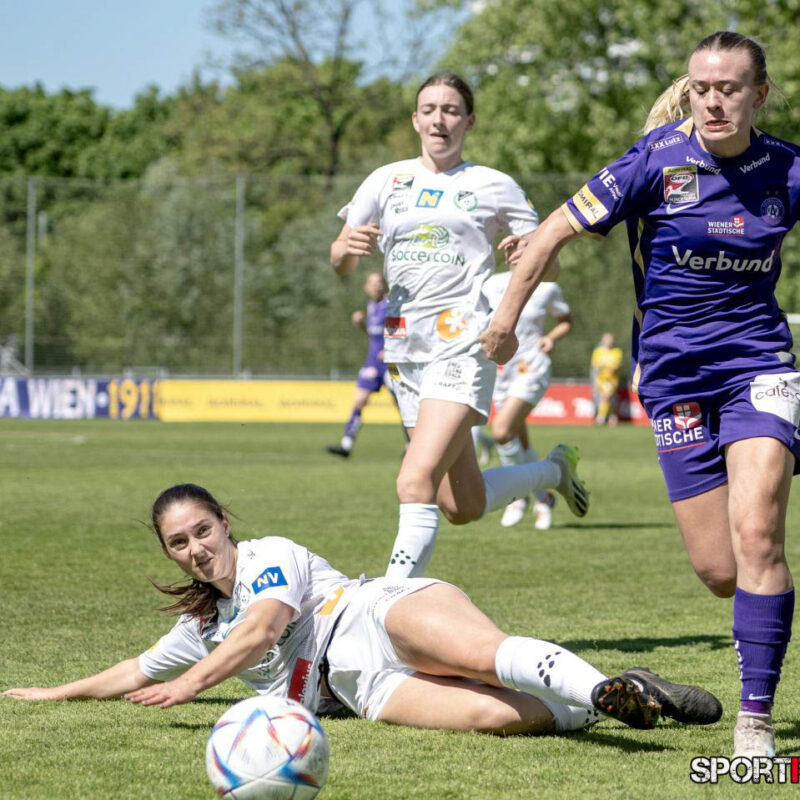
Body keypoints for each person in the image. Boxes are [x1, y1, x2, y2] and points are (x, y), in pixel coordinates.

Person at [481, 31, 800, 758]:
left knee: (758, 536)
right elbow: (553, 231)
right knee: (721, 572)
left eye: (728, 87)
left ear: (760, 94)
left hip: (760, 368)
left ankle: (756, 722)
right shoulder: (655, 162)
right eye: (701, 87)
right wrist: (503, 326)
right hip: (675, 380)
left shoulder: (787, 168)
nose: (713, 100)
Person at [3, 483, 722, 737]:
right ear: (169, 554)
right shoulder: (201, 629)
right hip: (359, 688)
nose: (195, 548)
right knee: (495, 715)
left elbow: (265, 629)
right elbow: (134, 669)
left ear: (225, 523)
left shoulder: (267, 557)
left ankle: (595, 684)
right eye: (177, 543)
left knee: (479, 655)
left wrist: (193, 685)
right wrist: (54, 691)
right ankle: (617, 692)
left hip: (374, 613)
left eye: (201, 531)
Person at [330, 71, 588, 579]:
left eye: (450, 110)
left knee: (413, 480)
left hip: (463, 344)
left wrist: (526, 255)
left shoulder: (493, 185)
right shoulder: (386, 180)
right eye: (429, 109)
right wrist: (345, 251)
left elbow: (548, 266)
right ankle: (554, 471)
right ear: (415, 119)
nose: (439, 119)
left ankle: (386, 611)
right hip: (404, 351)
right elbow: (340, 257)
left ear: (468, 121)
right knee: (460, 504)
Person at [483, 271, 572, 529]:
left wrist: (551, 338)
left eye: (524, 243)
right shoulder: (491, 283)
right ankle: (542, 497)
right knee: (518, 439)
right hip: (501, 370)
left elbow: (566, 321)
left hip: (531, 365)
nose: (517, 249)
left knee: (500, 431)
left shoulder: (546, 288)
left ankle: (517, 495)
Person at [326, 271, 407, 458]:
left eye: (379, 282)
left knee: (403, 404)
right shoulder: (371, 306)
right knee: (359, 401)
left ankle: (411, 444)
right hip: (372, 363)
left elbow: (402, 330)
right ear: (366, 287)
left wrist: (392, 349)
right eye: (372, 282)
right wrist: (362, 324)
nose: (376, 285)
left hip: (392, 364)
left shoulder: (390, 304)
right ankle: (346, 445)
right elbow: (374, 334)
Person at [590, 333, 624, 426]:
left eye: (610, 339)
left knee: (606, 397)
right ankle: (612, 417)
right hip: (601, 379)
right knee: (606, 399)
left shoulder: (617, 351)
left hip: (612, 379)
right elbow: (595, 365)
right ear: (603, 340)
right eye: (607, 339)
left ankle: (600, 418)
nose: (609, 341)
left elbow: (618, 365)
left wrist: (613, 367)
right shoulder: (598, 351)